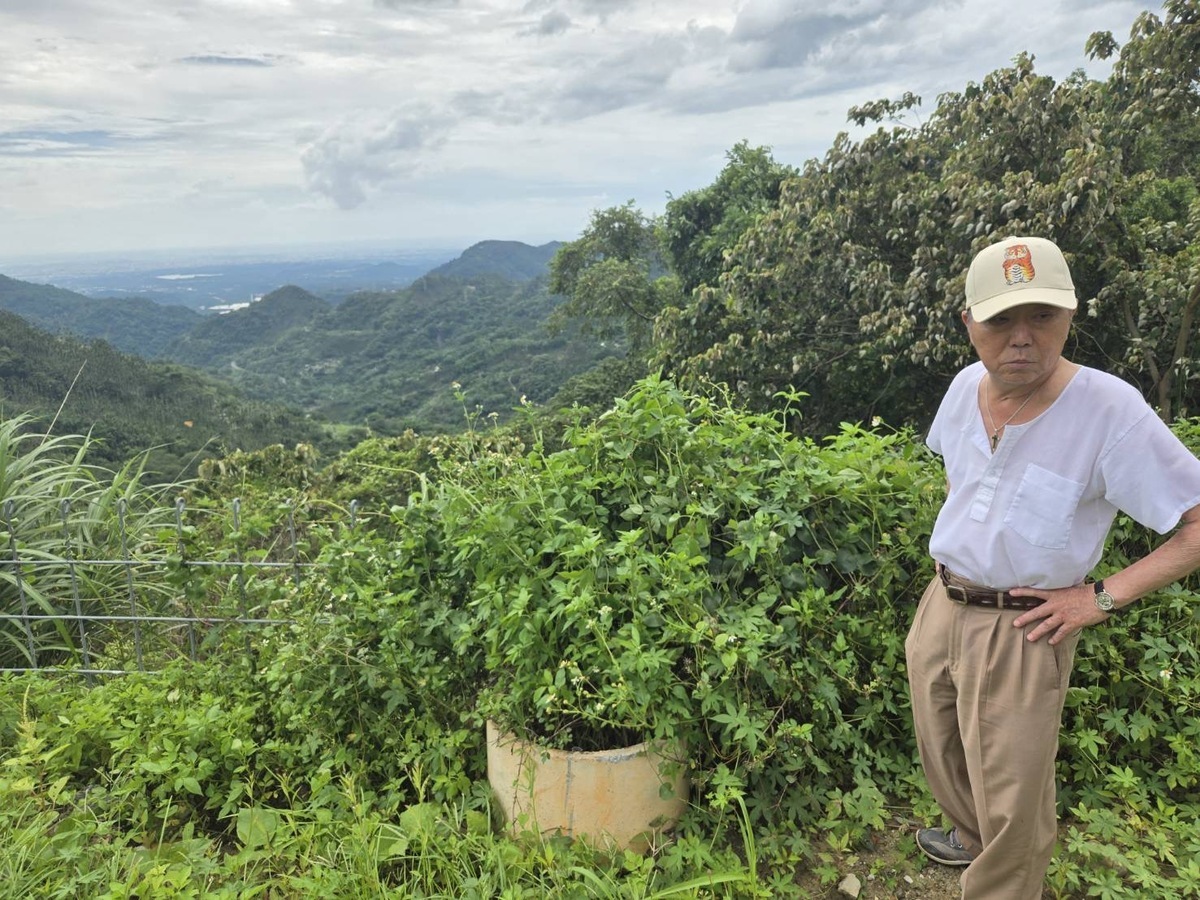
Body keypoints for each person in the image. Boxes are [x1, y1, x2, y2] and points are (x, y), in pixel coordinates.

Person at [905, 235, 1200, 899]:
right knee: (944, 752)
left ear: (1069, 317)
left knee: (1015, 798)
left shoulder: (1109, 410)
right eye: (1002, 319)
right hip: (943, 604)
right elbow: (963, 480)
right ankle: (969, 841)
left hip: (1022, 628)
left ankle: (1003, 882)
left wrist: (1100, 598)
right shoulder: (962, 389)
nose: (1021, 338)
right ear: (969, 324)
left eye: (1041, 316)